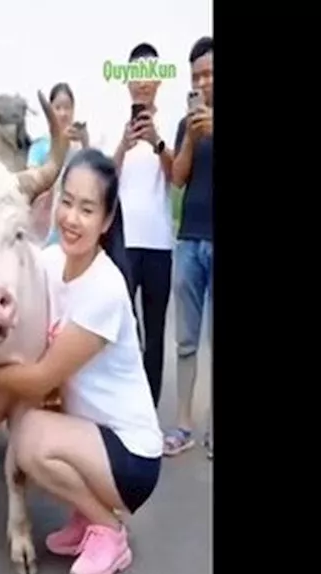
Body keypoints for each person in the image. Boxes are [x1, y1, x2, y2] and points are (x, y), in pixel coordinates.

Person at [0, 149, 162, 574]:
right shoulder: (52, 264)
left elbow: (41, 378)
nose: (72, 218)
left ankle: (110, 532)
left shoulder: (106, 288)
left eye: (88, 208)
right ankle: (84, 518)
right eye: (68, 202)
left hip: (132, 458)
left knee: (30, 438)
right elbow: (3, 256)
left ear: (108, 221)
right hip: (90, 438)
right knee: (32, 420)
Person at [114, 42, 176, 409]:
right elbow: (105, 177)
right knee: (124, 329)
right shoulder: (114, 126)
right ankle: (123, 401)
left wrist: (157, 142)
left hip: (159, 245)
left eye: (148, 75)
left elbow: (177, 178)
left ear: (158, 81)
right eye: (134, 75)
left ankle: (148, 409)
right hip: (124, 242)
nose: (142, 83)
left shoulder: (168, 128)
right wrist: (123, 145)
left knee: (155, 332)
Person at [165, 36, 214, 459]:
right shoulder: (187, 125)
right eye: (196, 75)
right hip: (189, 240)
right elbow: (178, 179)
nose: (202, 81)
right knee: (186, 341)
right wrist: (191, 139)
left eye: (209, 74)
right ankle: (183, 426)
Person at [27, 83, 89, 247]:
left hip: (73, 233)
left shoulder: (80, 149)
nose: (63, 113)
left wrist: (85, 143)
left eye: (67, 108)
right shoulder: (39, 147)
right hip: (43, 236)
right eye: (57, 107)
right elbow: (32, 184)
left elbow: (92, 181)